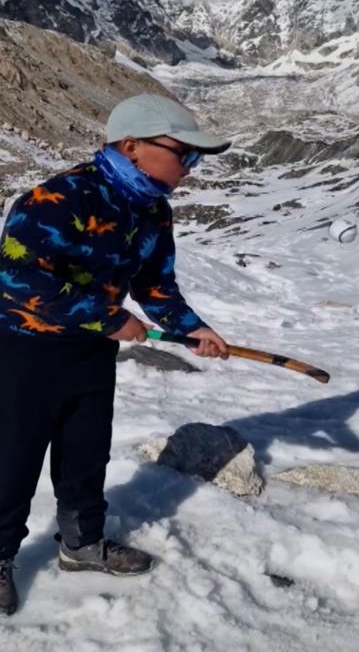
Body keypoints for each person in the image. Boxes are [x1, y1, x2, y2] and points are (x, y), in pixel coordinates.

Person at [0, 93, 231, 615]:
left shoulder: (152, 210)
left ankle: (81, 544)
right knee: (12, 460)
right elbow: (16, 277)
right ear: (131, 146)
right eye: (183, 154)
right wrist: (107, 317)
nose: (190, 169)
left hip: (90, 353)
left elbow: (154, 286)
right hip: (26, 350)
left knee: (86, 454)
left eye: (196, 159)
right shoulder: (59, 198)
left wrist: (191, 329)